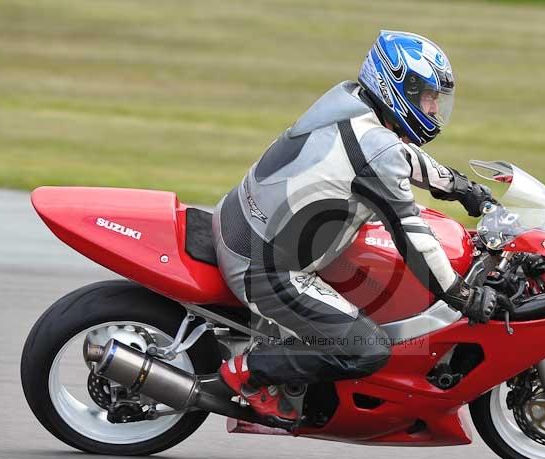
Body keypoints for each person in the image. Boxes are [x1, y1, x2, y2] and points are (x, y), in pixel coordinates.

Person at [212, 30, 498, 424]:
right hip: (266, 268)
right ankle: (248, 373)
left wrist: (463, 188)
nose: (433, 109)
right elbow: (413, 237)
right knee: (366, 349)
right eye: (427, 98)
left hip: (244, 223)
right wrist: (461, 295)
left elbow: (399, 155)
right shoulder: (376, 145)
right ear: (396, 87)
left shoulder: (351, 102)